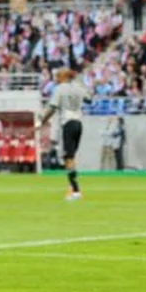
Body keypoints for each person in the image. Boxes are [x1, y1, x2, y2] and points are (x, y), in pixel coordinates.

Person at [38, 68, 90, 200]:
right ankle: (73, 186)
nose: (56, 79)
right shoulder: (78, 87)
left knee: (68, 157)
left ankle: (75, 190)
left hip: (68, 123)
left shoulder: (60, 89)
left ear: (63, 77)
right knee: (71, 156)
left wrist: (42, 121)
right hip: (79, 122)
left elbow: (52, 108)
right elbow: (89, 99)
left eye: (57, 77)